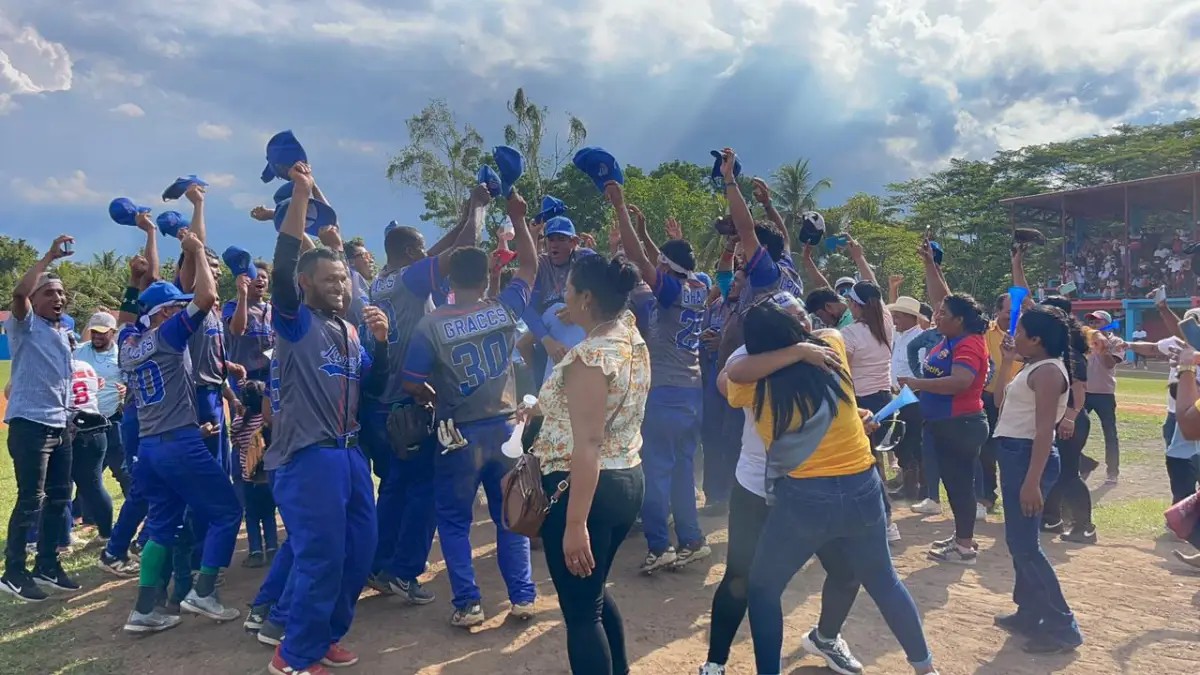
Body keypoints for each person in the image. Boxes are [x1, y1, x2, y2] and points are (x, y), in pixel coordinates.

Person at [730, 302, 936, 675]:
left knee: (763, 588)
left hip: (804, 498)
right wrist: (801, 349)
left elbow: (733, 370)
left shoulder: (749, 384)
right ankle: (926, 669)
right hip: (862, 486)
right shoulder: (830, 346)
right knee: (884, 581)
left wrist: (787, 352)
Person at [700, 297, 872, 675]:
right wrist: (796, 352)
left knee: (846, 570)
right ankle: (715, 662)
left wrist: (857, 418)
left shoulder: (822, 347)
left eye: (803, 316)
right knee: (741, 578)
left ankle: (826, 638)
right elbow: (726, 380)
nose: (805, 324)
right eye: (794, 319)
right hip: (757, 489)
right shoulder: (752, 357)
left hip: (814, 489)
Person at [265, 164, 390, 673]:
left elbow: (373, 388)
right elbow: (282, 264)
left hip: (350, 454)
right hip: (308, 456)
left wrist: (381, 347)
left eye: (343, 279)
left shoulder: (350, 331)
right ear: (304, 284)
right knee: (320, 558)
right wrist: (301, 193)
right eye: (329, 279)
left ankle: (325, 637)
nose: (339, 286)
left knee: (359, 552)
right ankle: (292, 656)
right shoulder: (294, 323)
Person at [401, 186, 538, 628]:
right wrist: (518, 221)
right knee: (509, 516)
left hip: (457, 432)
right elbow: (531, 269)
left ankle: (468, 603)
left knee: (456, 522)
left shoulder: (431, 323)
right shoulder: (503, 309)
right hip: (506, 429)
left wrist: (433, 396)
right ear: (485, 279)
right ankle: (522, 598)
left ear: (447, 281)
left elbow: (411, 381)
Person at [521, 252, 649, 675]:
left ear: (587, 297)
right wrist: (540, 409)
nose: (564, 298)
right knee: (591, 595)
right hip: (626, 477)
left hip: (584, 489)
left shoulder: (589, 357)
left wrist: (575, 524)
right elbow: (597, 407)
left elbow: (589, 442)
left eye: (569, 290)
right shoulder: (627, 333)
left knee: (580, 613)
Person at [116, 226, 243, 633]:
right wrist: (197, 251)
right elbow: (206, 299)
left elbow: (126, 319)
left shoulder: (128, 343)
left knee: (162, 525)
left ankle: (144, 609)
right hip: (179, 440)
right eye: (174, 306)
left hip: (150, 446)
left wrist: (135, 286)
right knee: (227, 510)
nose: (180, 309)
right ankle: (203, 591)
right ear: (164, 314)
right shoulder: (168, 335)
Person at [364, 196, 481, 605]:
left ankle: (378, 566)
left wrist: (465, 213)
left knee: (393, 488)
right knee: (423, 489)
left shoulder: (383, 279)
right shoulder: (411, 280)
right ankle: (404, 571)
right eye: (420, 249)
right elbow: (456, 254)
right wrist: (477, 213)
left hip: (382, 401)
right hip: (408, 401)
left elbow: (436, 252)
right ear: (410, 254)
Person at [610, 181, 710, 572]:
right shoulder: (698, 287)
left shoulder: (666, 290)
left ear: (667, 269)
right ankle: (691, 538)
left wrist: (621, 210)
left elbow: (640, 259)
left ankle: (659, 545)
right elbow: (660, 261)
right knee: (684, 470)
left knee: (655, 472)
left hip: (665, 391)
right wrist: (654, 235)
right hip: (692, 390)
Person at [990, 305, 1085, 654]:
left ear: (1038, 339)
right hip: (1016, 454)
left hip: (1028, 458)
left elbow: (1045, 431)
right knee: (1019, 543)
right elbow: (998, 400)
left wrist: (1031, 482)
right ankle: (1029, 611)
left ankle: (1063, 626)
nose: (1013, 336)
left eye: (1021, 331)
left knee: (1026, 546)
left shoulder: (1047, 372)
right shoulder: (1032, 366)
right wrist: (1006, 362)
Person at [898, 240, 991, 565]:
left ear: (960, 321)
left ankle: (964, 547)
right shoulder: (952, 334)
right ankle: (962, 537)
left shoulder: (968, 344)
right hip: (947, 424)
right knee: (955, 485)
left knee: (960, 485)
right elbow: (943, 298)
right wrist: (929, 265)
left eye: (943, 315)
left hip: (960, 424)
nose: (937, 315)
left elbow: (961, 382)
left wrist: (917, 384)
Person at [2, 234, 80, 602]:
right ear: (34, 301)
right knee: (30, 498)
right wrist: (49, 256)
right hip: (31, 425)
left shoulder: (63, 333)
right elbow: (17, 295)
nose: (59, 298)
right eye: (50, 293)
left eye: (61, 293)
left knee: (60, 497)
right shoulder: (25, 325)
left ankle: (47, 563)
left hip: (61, 424)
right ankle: (13, 571)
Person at [1037, 296, 1096, 543]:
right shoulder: (1059, 348)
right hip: (1059, 419)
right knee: (1054, 469)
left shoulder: (1069, 352)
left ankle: (1085, 526)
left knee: (1069, 472)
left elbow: (1080, 390)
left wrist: (1069, 418)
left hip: (1070, 419)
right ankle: (1051, 518)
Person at [76, 312, 133, 498]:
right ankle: (82, 513)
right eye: (94, 332)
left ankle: (138, 507)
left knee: (122, 467)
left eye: (102, 332)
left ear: (113, 332)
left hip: (112, 418)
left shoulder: (121, 355)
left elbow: (131, 382)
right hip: (84, 420)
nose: (97, 336)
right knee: (88, 470)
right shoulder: (79, 351)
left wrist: (126, 391)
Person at [67, 350, 114, 543]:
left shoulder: (55, 368)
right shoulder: (86, 366)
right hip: (96, 428)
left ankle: (61, 538)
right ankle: (105, 534)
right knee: (94, 486)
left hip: (71, 431)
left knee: (60, 487)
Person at [231, 380, 277, 568]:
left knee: (251, 516)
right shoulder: (267, 421)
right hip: (267, 477)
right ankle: (273, 548)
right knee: (269, 514)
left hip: (249, 478)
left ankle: (256, 552)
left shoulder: (240, 423)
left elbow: (234, 440)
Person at [886, 293, 926, 501]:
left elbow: (917, 372)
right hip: (900, 396)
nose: (896, 320)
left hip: (913, 396)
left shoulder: (919, 340)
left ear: (913, 318)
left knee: (910, 439)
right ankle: (910, 483)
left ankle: (916, 486)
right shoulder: (899, 336)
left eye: (900, 316)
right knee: (902, 440)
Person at [1083, 310, 1122, 483]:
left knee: (1110, 433)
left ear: (1106, 323)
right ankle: (1083, 464)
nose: (1093, 325)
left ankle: (1112, 472)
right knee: (1071, 431)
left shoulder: (1116, 342)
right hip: (1083, 392)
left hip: (1105, 394)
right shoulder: (1085, 341)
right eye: (1091, 322)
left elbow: (1109, 364)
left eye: (1097, 322)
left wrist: (1103, 348)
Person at [223, 261, 274, 386]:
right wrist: (243, 296)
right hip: (242, 377)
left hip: (269, 377)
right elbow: (236, 330)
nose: (260, 279)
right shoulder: (232, 305)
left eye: (264, 277)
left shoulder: (273, 310)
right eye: (256, 276)